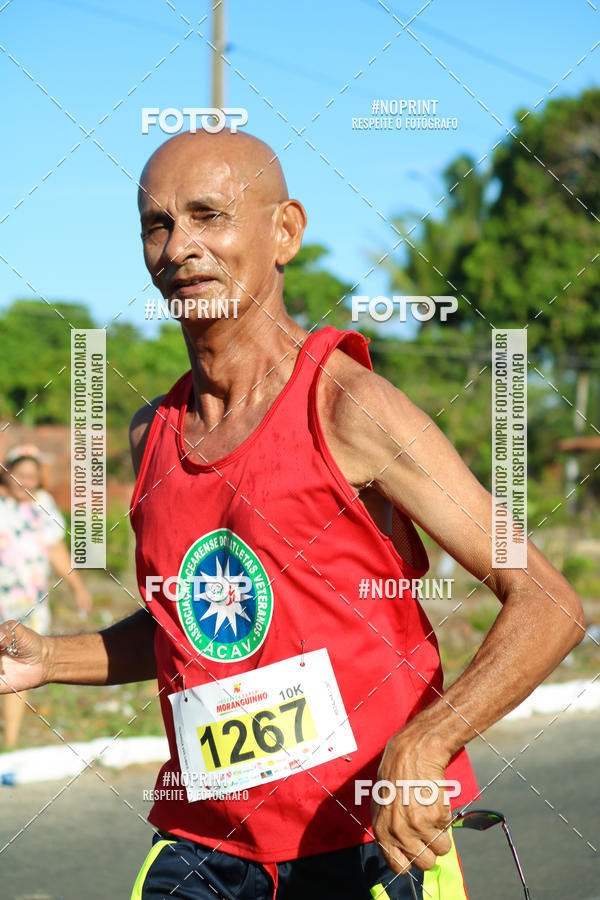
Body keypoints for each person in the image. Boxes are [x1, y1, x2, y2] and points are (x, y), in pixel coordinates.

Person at [0, 131, 584, 899]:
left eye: (209, 215)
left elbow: (548, 602)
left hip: (370, 846)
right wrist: (49, 658)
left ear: (285, 232)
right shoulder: (151, 435)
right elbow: (195, 628)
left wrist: (427, 743)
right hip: (201, 847)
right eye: (157, 224)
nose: (179, 247)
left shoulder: (350, 407)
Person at [0, 444, 92, 748]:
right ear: (7, 474)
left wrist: (78, 588)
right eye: (19, 474)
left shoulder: (44, 505)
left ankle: (9, 742)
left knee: (14, 670)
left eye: (31, 476)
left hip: (28, 606)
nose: (25, 481)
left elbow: (55, 550)